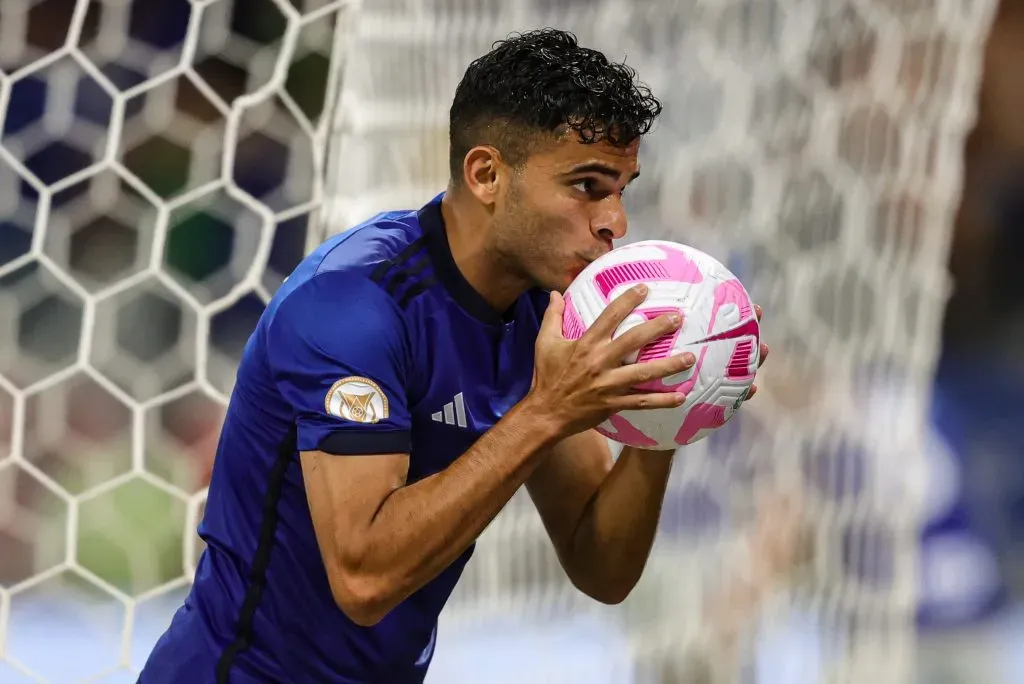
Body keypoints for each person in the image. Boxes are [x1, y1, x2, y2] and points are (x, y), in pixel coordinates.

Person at [139, 28, 767, 683]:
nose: (617, 221)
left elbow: (600, 566)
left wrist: (664, 403)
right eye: (588, 186)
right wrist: (546, 411)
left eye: (622, 189)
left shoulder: (540, 314)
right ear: (487, 174)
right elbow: (363, 577)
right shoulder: (352, 306)